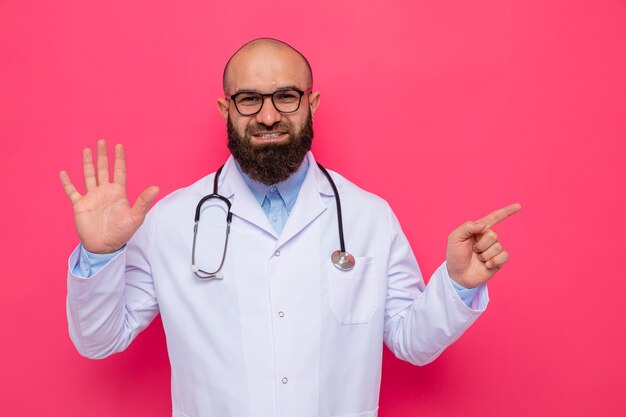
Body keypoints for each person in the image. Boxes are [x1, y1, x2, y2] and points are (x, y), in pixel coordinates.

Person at [60, 38, 520, 417]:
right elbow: (100, 340)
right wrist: (100, 255)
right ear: (226, 109)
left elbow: (411, 341)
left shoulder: (367, 216)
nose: (267, 116)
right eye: (249, 99)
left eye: (286, 96)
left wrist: (457, 285)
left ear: (311, 102)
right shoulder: (172, 221)